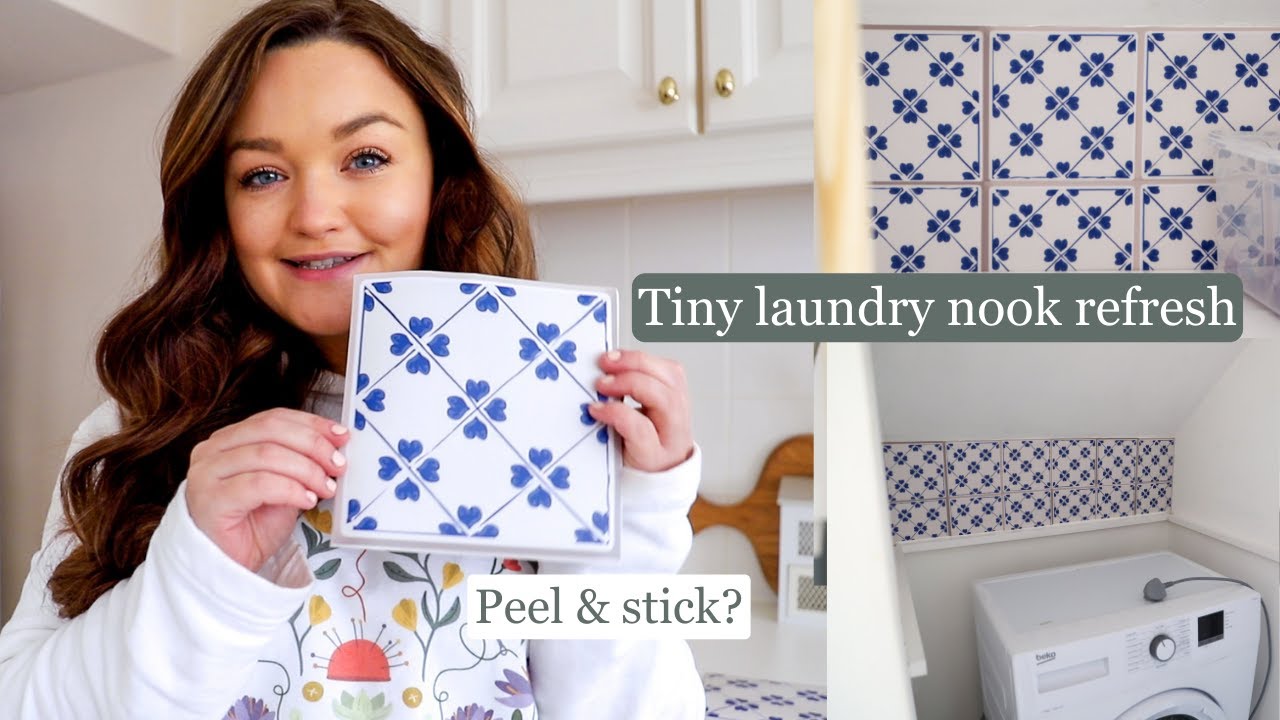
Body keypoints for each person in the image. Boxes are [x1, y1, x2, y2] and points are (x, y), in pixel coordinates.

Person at [0, 1, 705, 717]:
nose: (314, 213)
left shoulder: (548, 417)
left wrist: (637, 516)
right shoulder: (141, 426)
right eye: (262, 175)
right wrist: (198, 569)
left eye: (365, 159)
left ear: (440, 178)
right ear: (221, 211)